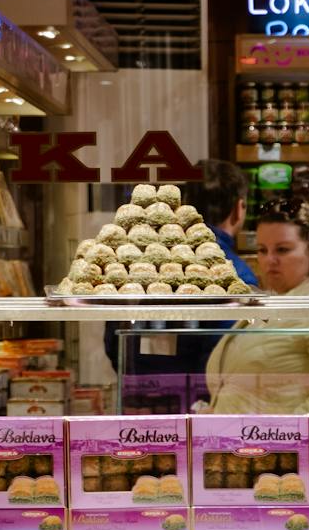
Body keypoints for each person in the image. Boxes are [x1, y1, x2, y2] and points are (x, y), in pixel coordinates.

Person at [204, 198, 309, 414]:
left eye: (282, 250)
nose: (269, 260)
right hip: (247, 444)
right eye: (262, 250)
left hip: (280, 446)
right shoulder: (273, 300)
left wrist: (285, 439)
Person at [101, 160, 254, 389]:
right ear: (239, 208)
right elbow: (225, 357)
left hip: (137, 397)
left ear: (183, 205)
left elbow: (115, 341)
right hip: (199, 406)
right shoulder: (236, 278)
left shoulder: (139, 264)